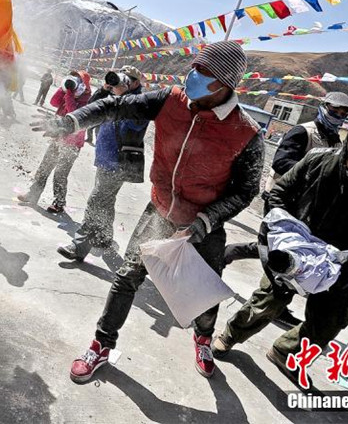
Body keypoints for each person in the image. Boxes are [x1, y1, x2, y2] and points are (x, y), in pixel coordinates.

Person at [36, 42, 263, 381]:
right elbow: (115, 106)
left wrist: (205, 222)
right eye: (194, 68)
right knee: (127, 277)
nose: (193, 77)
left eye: (205, 73)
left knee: (201, 295)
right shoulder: (169, 100)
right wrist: (72, 122)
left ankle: (203, 339)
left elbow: (246, 191)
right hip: (158, 213)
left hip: (204, 226)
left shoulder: (247, 133)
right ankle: (101, 345)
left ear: (225, 84)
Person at [211, 108, 348, 386]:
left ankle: (285, 352)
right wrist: (280, 232)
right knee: (265, 303)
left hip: (344, 267)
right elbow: (280, 193)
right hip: (295, 254)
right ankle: (230, 336)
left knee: (327, 324)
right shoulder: (317, 159)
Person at [223, 91, 348, 326]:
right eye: (335, 111)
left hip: (307, 208)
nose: (339, 116)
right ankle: (274, 302)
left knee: (288, 251)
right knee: (283, 251)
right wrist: (314, 174)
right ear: (323, 107)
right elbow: (281, 162)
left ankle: (235, 255)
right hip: (281, 200)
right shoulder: (303, 132)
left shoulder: (336, 141)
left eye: (344, 114)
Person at [58, 66, 148, 261]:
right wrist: (104, 89)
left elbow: (135, 124)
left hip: (119, 163)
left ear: (134, 83)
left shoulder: (140, 103)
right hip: (104, 159)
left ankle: (79, 246)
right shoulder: (111, 97)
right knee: (106, 201)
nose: (119, 81)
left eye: (126, 78)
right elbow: (89, 110)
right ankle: (104, 238)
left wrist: (125, 95)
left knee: (96, 201)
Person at [18, 70, 92, 214]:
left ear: (84, 85)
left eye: (78, 80)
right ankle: (33, 194)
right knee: (44, 167)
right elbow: (54, 102)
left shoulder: (86, 101)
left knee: (60, 174)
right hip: (59, 138)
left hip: (72, 144)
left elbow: (73, 114)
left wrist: (70, 94)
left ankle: (59, 203)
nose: (74, 83)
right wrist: (64, 89)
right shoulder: (69, 94)